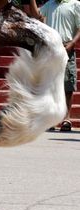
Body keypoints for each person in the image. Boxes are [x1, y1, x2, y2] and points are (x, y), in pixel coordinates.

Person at [30, 0, 80, 131]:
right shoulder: (49, 4)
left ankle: (66, 119)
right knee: (50, 84)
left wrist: (72, 44)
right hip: (50, 48)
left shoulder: (75, 4)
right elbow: (36, 15)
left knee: (68, 84)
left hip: (66, 47)